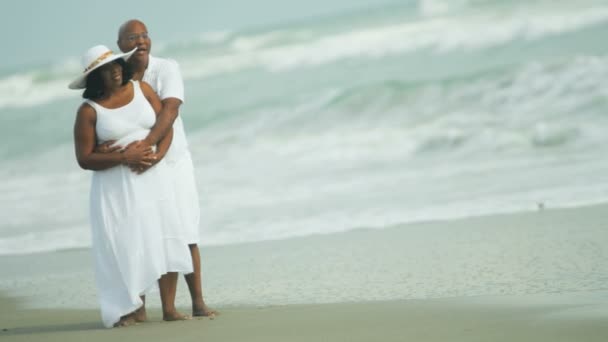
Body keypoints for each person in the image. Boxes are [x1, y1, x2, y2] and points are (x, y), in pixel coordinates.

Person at [100, 19, 217, 317]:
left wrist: (148, 146)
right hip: (138, 167)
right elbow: (107, 116)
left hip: (173, 161)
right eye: (132, 37)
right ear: (120, 45)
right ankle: (143, 308)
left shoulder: (166, 68)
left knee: (185, 230)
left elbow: (171, 110)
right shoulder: (118, 78)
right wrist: (104, 147)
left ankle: (198, 303)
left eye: (145, 35)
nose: (140, 41)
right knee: (146, 233)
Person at [70, 45, 193, 327]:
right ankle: (134, 307)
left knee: (164, 235)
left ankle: (170, 308)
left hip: (153, 177)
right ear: (95, 78)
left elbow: (166, 123)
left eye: (116, 65)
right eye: (105, 69)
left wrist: (157, 156)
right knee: (129, 243)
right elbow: (85, 158)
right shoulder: (89, 112)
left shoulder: (142, 89)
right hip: (116, 187)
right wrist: (125, 156)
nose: (113, 71)